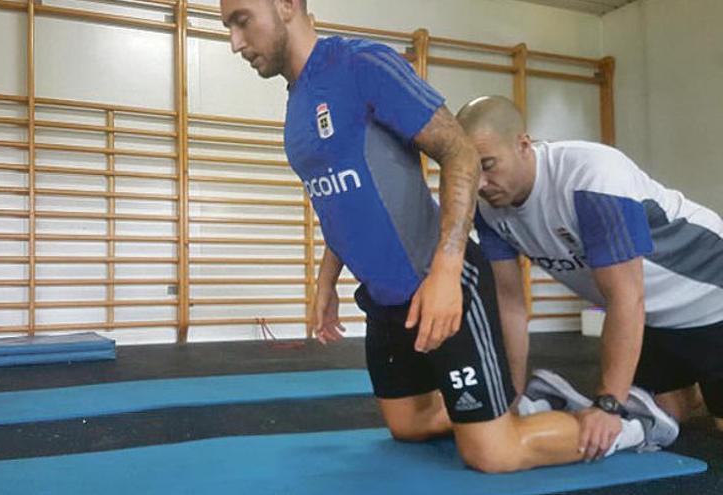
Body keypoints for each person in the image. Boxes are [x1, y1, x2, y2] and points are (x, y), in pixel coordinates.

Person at [219, 0, 676, 472]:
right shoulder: (297, 100)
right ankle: (518, 406)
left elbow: (460, 151)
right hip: (386, 301)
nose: (235, 42)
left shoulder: (361, 64)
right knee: (409, 426)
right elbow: (342, 201)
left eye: (241, 20)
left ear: (287, 5)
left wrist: (446, 271)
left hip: (440, 285)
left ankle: (631, 423)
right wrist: (325, 281)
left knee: (491, 455)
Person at [455, 95, 723, 455]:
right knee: (665, 414)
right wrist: (511, 397)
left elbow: (626, 296)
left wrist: (608, 403)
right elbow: (509, 305)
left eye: (488, 165)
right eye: (470, 171)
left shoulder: (590, 176)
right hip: (655, 320)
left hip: (712, 299)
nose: (481, 183)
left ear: (523, 145)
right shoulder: (489, 210)